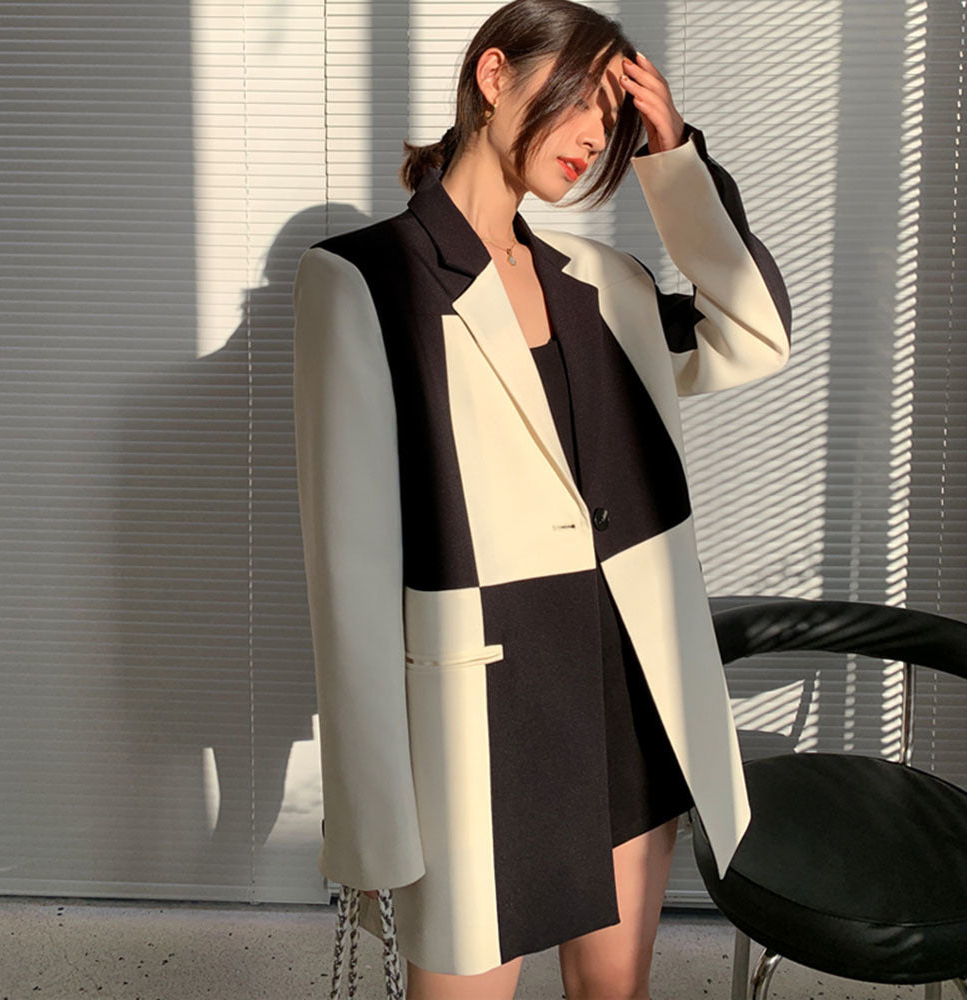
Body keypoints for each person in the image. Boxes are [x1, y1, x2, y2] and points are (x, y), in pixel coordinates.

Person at [291, 1, 792, 997]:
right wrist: (373, 824)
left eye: (615, 115)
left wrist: (674, 157)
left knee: (614, 992)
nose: (599, 135)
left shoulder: (605, 284)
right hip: (483, 720)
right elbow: (349, 575)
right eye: (584, 101)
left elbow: (752, 335)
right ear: (494, 77)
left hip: (625, 697)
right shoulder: (366, 281)